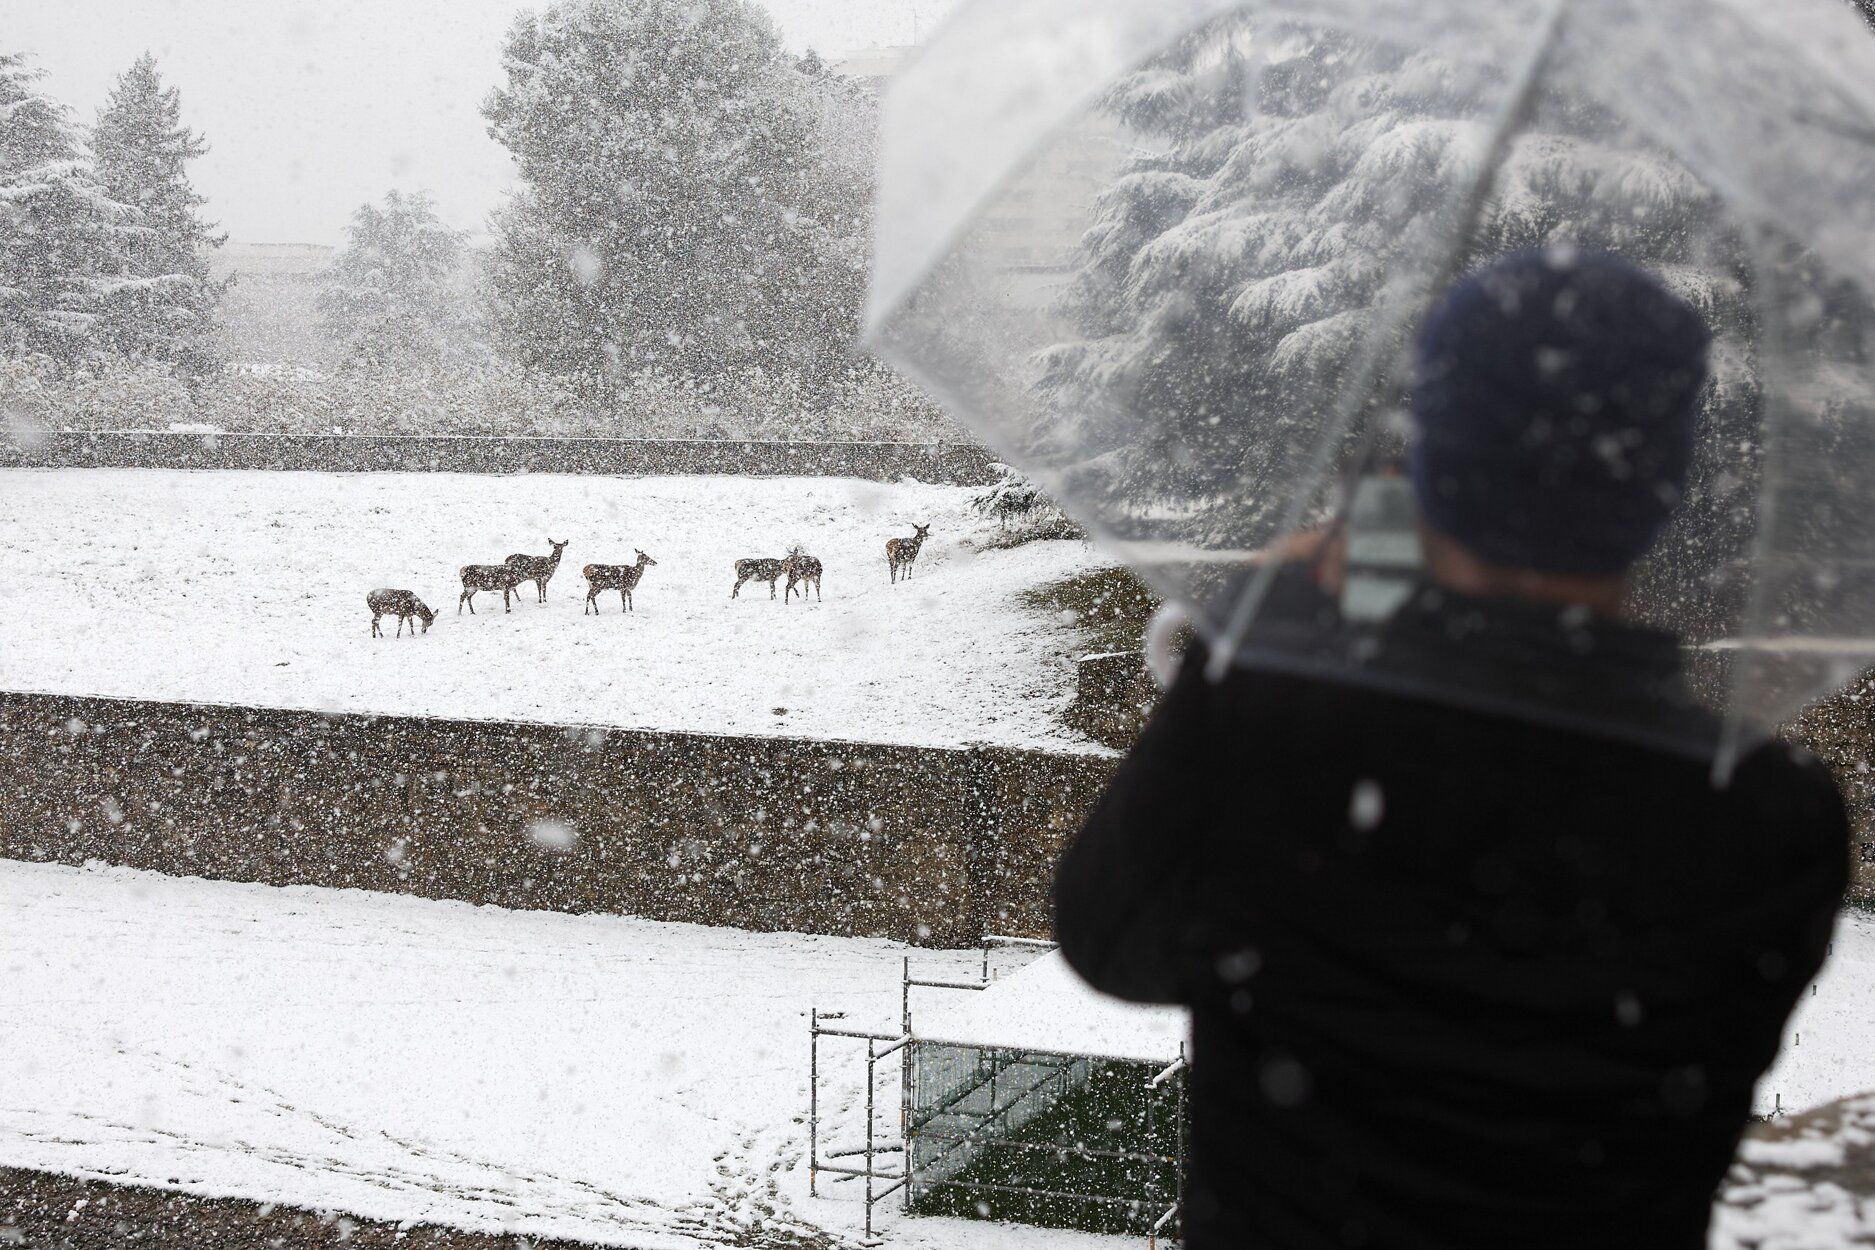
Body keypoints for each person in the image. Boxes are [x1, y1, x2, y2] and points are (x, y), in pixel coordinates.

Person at [1054, 251, 1848, 1249]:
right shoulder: (1771, 818)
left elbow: (1108, 940)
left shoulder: (1280, 735)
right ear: (1665, 484)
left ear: (1430, 465)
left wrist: (1271, 626)